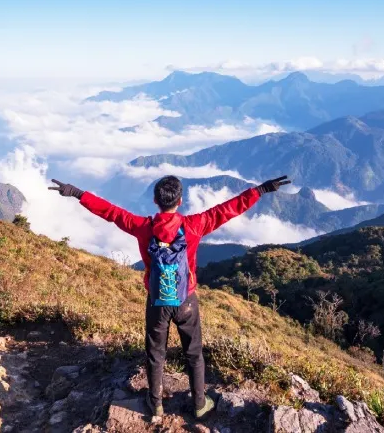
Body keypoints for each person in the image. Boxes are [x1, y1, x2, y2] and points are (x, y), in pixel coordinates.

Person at [49, 174, 291, 421]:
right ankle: (199, 403)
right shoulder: (195, 225)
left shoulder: (143, 227)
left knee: (156, 353)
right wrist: (260, 190)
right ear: (181, 200)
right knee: (194, 353)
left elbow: (112, 213)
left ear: (155, 200)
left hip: (157, 301)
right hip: (186, 299)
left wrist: (78, 193)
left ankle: (155, 404)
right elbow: (227, 210)